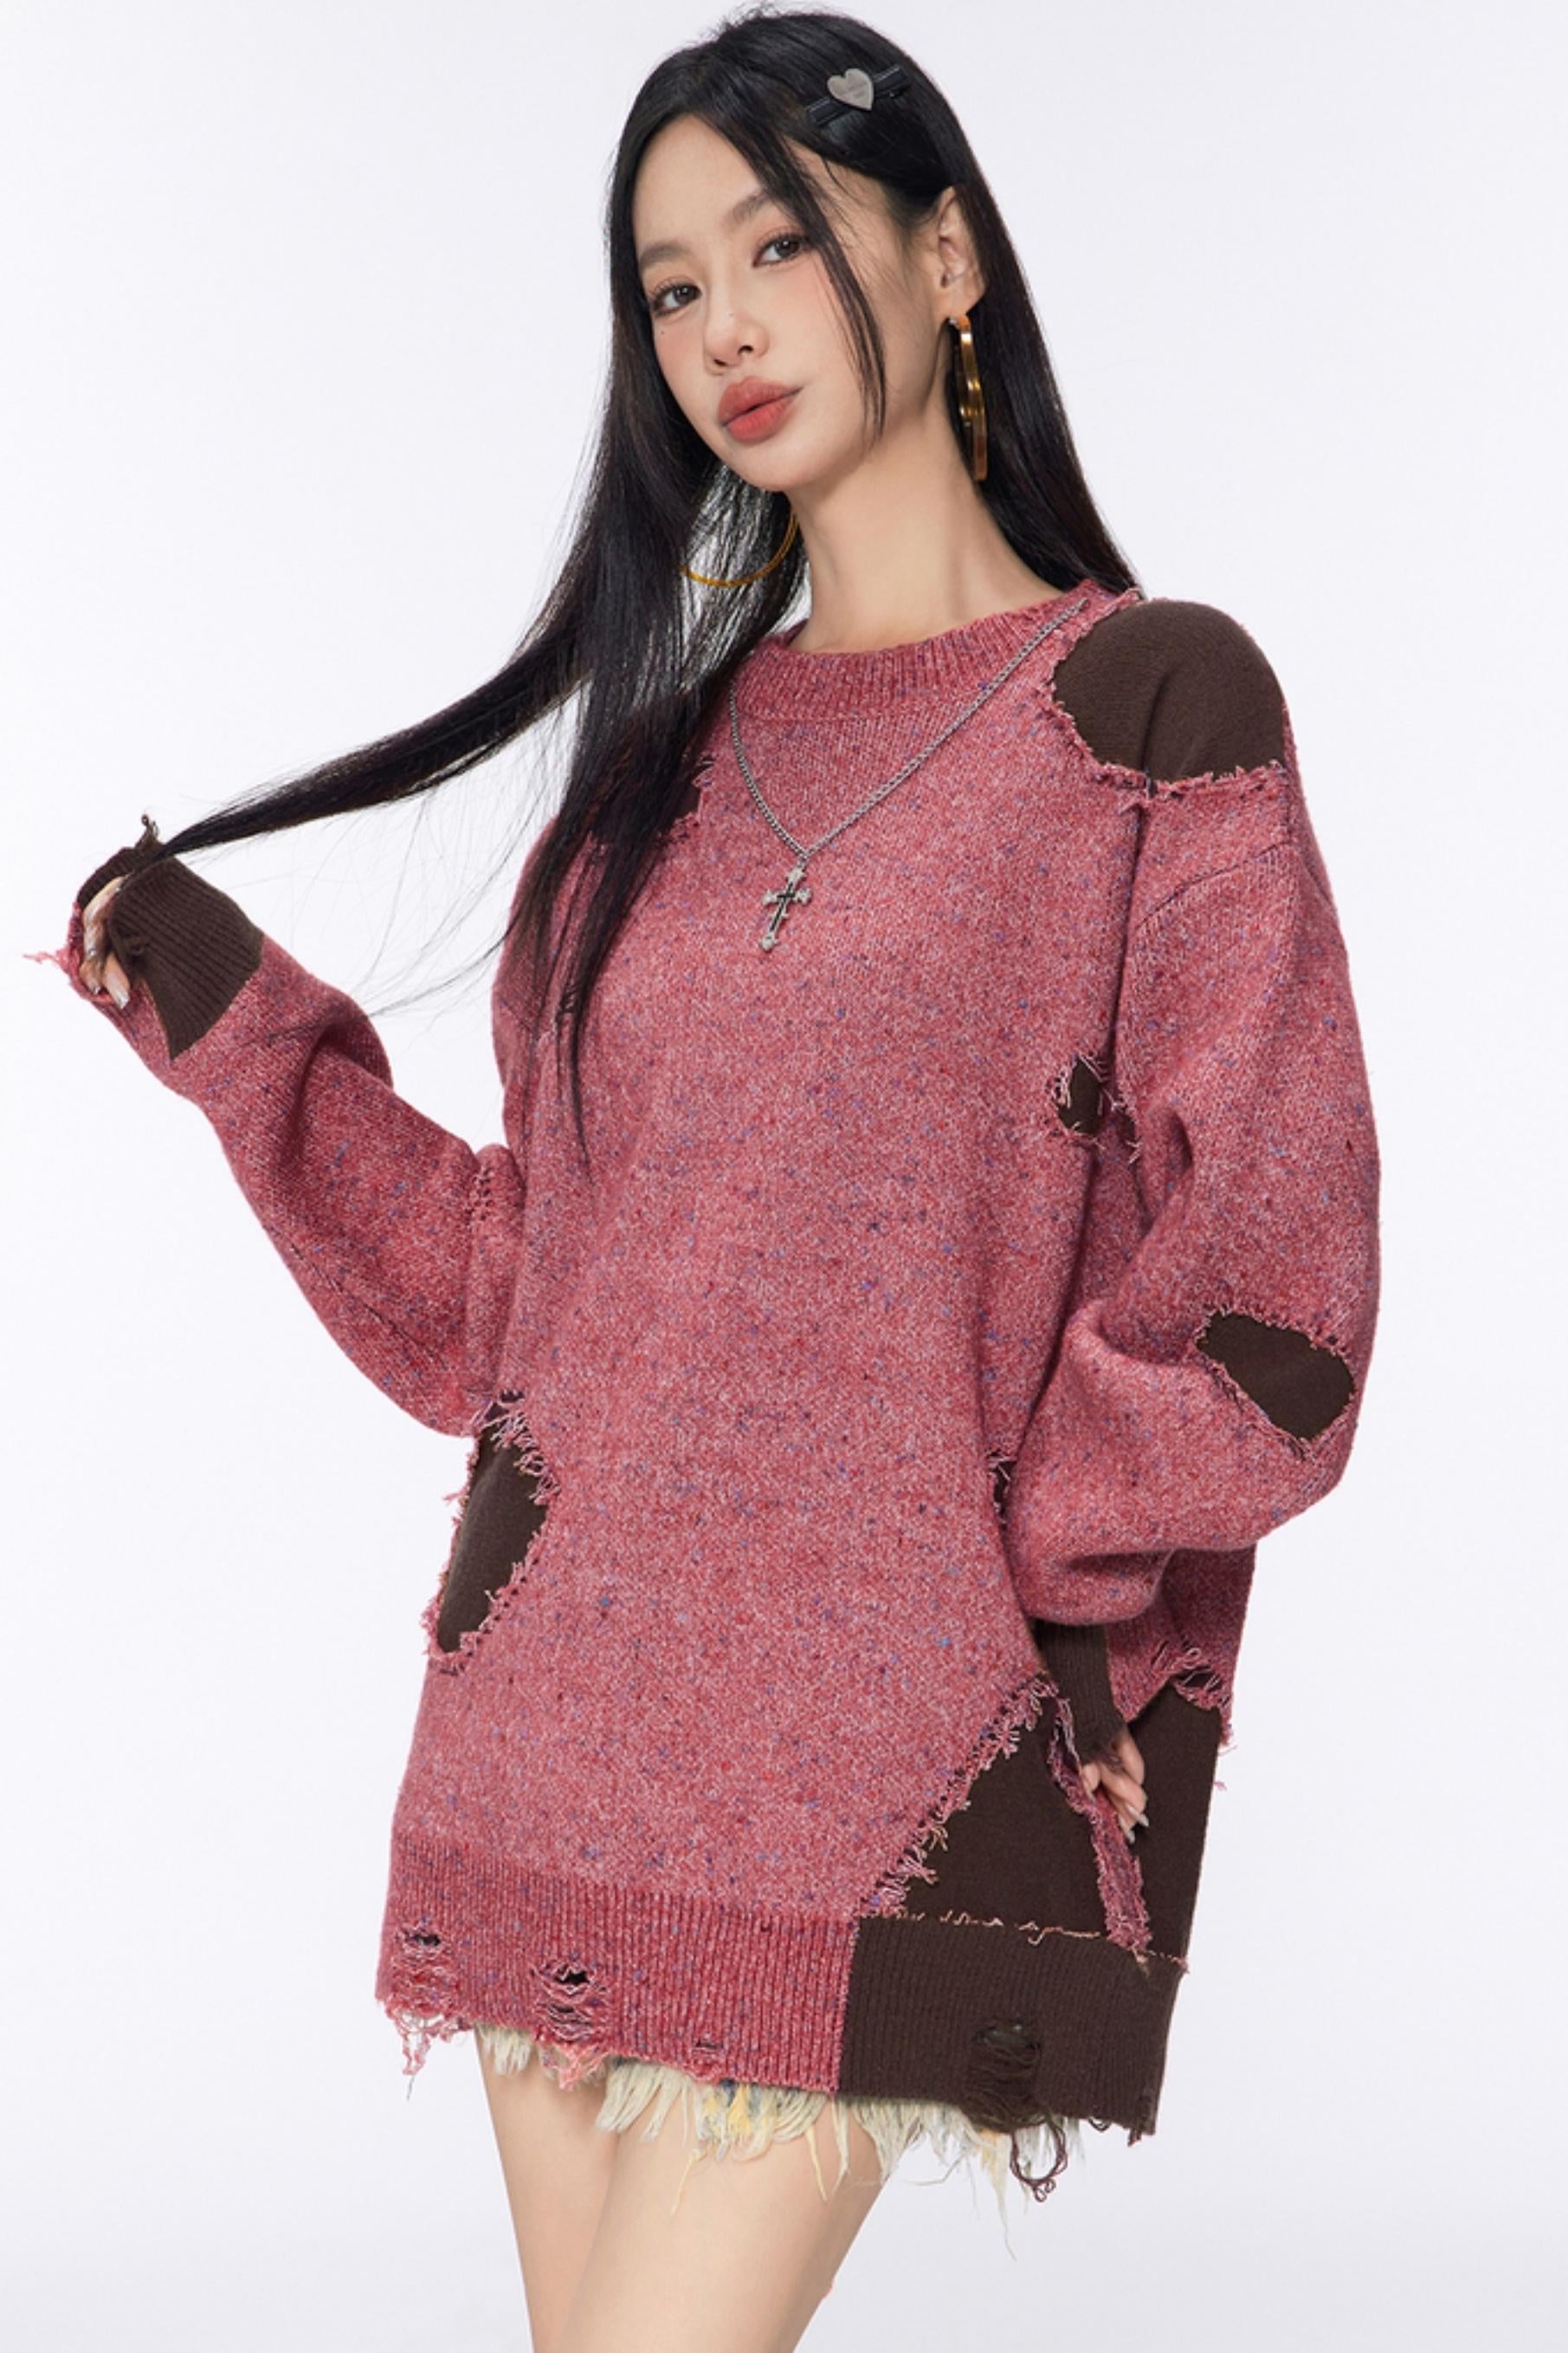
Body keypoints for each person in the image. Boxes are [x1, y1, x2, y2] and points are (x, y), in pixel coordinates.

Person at [48, 12, 1382, 2351]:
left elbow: (1275, 1286)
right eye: (670, 287)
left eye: (779, 244)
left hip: (891, 1752)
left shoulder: (1149, 716)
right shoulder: (643, 794)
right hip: (556, 1733)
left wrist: (1019, 1566)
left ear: (947, 257)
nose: (724, 328)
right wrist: (246, 1040)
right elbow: (516, 1305)